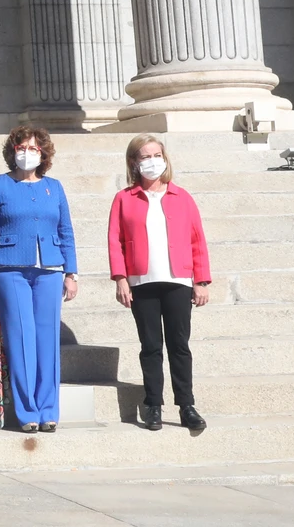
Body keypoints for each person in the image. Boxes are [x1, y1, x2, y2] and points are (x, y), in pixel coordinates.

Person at [0, 126, 78, 433]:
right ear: (12, 150)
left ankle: (49, 409)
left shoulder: (54, 187)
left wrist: (71, 272)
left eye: (34, 149)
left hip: (49, 268)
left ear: (43, 154)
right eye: (22, 147)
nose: (27, 153)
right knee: (21, 340)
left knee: (47, 341)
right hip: (10, 269)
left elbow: (66, 231)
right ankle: (27, 410)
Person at [108, 135, 211, 434]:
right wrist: (120, 278)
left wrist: (201, 280)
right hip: (142, 282)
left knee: (179, 345)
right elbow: (115, 241)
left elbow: (197, 240)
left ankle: (186, 405)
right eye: (146, 156)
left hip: (178, 280)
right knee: (151, 346)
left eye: (157, 154)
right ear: (134, 163)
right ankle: (152, 403)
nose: (153, 160)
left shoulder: (182, 197)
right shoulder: (124, 198)